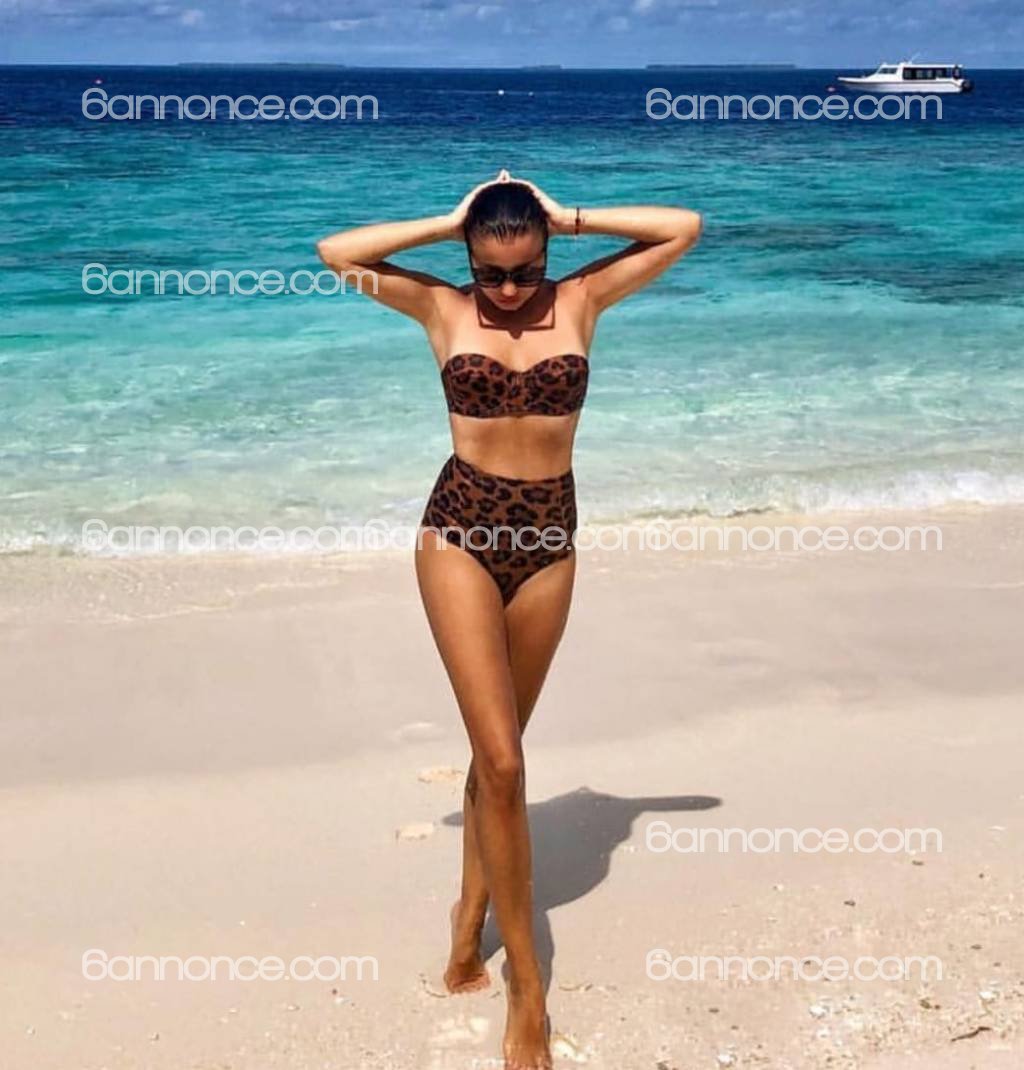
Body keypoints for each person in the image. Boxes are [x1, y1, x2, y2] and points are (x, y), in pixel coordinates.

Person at [316, 170, 702, 1070]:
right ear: (469, 260)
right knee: (502, 761)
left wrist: (570, 217)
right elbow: (336, 253)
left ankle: (467, 920)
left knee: (502, 754)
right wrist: (448, 220)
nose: (510, 290)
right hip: (459, 531)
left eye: (526, 270)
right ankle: (527, 984)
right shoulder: (442, 309)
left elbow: (682, 226)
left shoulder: (582, 298)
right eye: (491, 272)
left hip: (549, 542)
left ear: (546, 253)